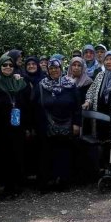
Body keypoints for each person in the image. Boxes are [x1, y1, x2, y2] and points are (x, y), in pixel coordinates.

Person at [0, 54, 32, 198]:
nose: (8, 67)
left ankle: (13, 187)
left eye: (11, 65)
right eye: (5, 65)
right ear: (0, 66)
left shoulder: (20, 83)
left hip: (17, 127)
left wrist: (28, 127)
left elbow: (28, 106)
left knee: (16, 155)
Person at [33, 58, 82, 191]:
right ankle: (46, 182)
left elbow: (77, 107)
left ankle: (63, 182)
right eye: (51, 68)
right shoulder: (41, 85)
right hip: (46, 125)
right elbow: (34, 105)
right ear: (48, 70)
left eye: (57, 67)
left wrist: (77, 124)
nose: (54, 70)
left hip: (66, 124)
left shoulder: (70, 85)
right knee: (46, 154)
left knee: (64, 154)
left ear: (61, 69)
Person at [83, 51, 111, 150]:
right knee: (99, 139)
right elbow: (91, 91)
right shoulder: (100, 75)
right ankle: (101, 161)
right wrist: (88, 101)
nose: (108, 62)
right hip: (100, 113)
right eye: (106, 59)